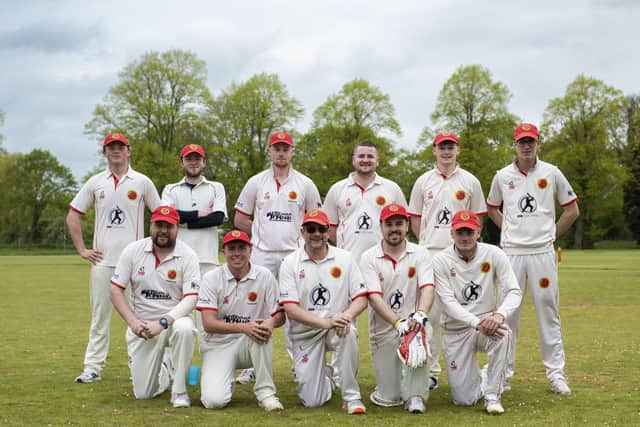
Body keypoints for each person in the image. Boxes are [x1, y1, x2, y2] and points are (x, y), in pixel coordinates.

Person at [487, 123, 579, 395]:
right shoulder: (502, 176)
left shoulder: (552, 172)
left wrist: (551, 235)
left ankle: (555, 374)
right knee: (507, 314)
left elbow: (572, 210)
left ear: (538, 143)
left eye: (531, 141)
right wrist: (509, 230)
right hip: (512, 253)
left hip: (542, 252)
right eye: (521, 141)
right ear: (514, 145)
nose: (526, 146)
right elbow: (492, 208)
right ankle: (502, 374)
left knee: (547, 312)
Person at [67, 133, 160, 383]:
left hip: (136, 263)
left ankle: (139, 365)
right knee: (100, 316)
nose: (116, 151)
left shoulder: (142, 182)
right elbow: (73, 215)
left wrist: (154, 250)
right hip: (103, 262)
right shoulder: (96, 182)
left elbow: (161, 216)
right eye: (111, 147)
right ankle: (93, 367)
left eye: (120, 147)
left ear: (129, 151)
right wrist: (82, 249)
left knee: (139, 315)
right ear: (105, 152)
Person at [234, 130, 322, 384]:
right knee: (256, 307)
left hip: (294, 255)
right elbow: (241, 218)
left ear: (292, 151)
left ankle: (300, 363)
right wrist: (262, 236)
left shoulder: (305, 183)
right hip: (261, 255)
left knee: (296, 309)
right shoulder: (256, 182)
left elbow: (316, 221)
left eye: (286, 149)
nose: (281, 153)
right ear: (270, 151)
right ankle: (251, 364)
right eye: (277, 148)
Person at [408, 132, 487, 390]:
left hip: (459, 254)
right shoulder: (423, 181)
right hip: (430, 254)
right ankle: (430, 371)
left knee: (461, 311)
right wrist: (427, 243)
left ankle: (465, 367)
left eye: (450, 147)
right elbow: (416, 219)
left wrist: (466, 248)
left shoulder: (470, 181)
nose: (446, 152)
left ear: (457, 150)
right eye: (442, 147)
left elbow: (478, 219)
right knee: (428, 314)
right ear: (434, 150)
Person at [279, 209, 369, 414]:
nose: (316, 233)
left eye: (321, 229)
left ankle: (352, 398)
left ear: (328, 231)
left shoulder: (345, 258)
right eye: (311, 229)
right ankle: (326, 377)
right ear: (302, 232)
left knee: (349, 332)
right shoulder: (289, 262)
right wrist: (327, 322)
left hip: (337, 326)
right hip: (305, 332)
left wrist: (346, 316)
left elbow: (361, 297)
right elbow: (291, 309)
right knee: (312, 401)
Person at [432, 210, 522, 415]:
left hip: (487, 325)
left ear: (478, 232)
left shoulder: (494, 253)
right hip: (456, 330)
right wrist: (476, 322)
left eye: (469, 232)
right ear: (452, 233)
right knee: (464, 400)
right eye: (460, 232)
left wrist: (499, 316)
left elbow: (514, 291)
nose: (465, 238)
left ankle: (493, 395)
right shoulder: (440, 260)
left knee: (504, 334)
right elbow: (447, 302)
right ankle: (484, 377)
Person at [109, 206, 200, 408]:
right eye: (159, 225)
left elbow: (191, 298)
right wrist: (133, 323)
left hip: (173, 322)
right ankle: (167, 366)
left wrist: (163, 322)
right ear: (151, 225)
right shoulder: (133, 251)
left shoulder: (188, 255)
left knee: (185, 328)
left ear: (178, 228)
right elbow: (115, 290)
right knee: (144, 394)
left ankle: (179, 392)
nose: (163, 231)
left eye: (169, 226)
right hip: (142, 327)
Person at [196, 230, 285, 411]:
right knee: (214, 402)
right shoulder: (211, 278)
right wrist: (244, 327)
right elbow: (208, 323)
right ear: (225, 251)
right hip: (217, 345)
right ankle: (225, 378)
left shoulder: (265, 276)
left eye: (242, 248)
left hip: (249, 342)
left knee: (261, 330)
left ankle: (266, 394)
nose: (237, 253)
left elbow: (280, 314)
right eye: (232, 248)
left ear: (250, 250)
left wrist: (270, 322)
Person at [360, 204, 435, 413]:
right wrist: (397, 322)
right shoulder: (368, 257)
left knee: (418, 337)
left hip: (414, 325)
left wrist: (420, 315)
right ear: (381, 226)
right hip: (384, 330)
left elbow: (428, 287)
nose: (394, 229)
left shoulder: (420, 253)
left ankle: (416, 395)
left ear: (407, 225)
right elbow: (374, 297)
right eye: (389, 224)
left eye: (399, 224)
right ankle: (391, 386)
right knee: (389, 398)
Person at [323, 140, 408, 262]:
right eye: (361, 156)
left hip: (383, 262)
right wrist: (345, 246)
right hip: (347, 262)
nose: (365, 160)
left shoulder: (392, 188)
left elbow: (403, 225)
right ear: (353, 160)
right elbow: (329, 228)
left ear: (377, 161)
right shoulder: (337, 189)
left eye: (370, 156)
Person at [162, 143, 227, 276]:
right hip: (178, 257)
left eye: (197, 159)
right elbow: (168, 217)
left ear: (204, 162)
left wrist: (186, 223)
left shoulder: (216, 187)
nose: (193, 163)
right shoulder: (170, 189)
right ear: (182, 162)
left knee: (207, 297)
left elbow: (217, 218)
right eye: (189, 159)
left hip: (207, 260)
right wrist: (199, 213)